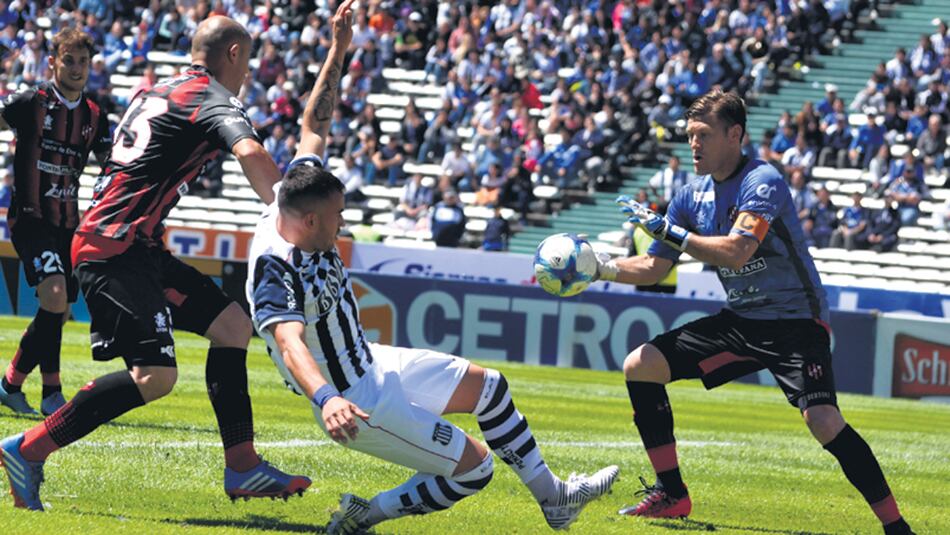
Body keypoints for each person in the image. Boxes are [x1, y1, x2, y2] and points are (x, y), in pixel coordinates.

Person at [243, 3, 618, 533]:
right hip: (356, 399)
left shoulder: (298, 191)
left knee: (491, 387)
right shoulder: (275, 267)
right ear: (306, 221)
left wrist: (339, 48)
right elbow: (289, 342)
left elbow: (314, 125)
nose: (343, 225)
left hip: (371, 360)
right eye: (336, 219)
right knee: (476, 470)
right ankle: (365, 513)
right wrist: (326, 398)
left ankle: (555, 498)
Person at [0, 16, 310, 511]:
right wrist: (296, 218)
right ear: (233, 55)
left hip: (134, 245)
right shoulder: (211, 98)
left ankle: (244, 467)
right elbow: (250, 151)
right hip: (115, 248)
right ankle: (26, 449)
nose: (249, 73)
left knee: (232, 326)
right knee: (155, 377)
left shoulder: (160, 90)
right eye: (247, 61)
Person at [590, 90, 914, 534]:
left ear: (735, 134)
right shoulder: (690, 196)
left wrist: (671, 231)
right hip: (743, 321)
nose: (694, 145)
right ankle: (673, 495)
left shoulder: (763, 181)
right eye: (689, 136)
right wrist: (599, 267)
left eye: (703, 135)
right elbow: (653, 268)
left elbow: (739, 252)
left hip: (797, 322)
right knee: (640, 366)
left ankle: (896, 526)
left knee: (822, 420)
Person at [0, 29, 111, 417]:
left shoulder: (94, 116)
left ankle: (11, 384)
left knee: (58, 308)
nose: (77, 68)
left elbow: (111, 165)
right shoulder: (30, 102)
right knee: (54, 295)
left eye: (83, 61)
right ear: (53, 62)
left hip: (69, 223)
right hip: (31, 218)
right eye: (69, 60)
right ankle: (51, 392)